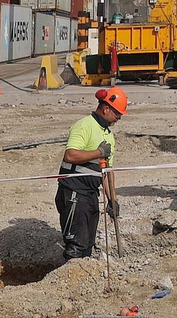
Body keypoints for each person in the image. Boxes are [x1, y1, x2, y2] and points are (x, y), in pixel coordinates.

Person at [56, 86, 126, 260]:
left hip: (90, 194)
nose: (119, 118)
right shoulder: (84, 126)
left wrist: (113, 200)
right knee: (76, 245)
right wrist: (98, 153)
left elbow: (107, 172)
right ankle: (68, 282)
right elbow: (70, 155)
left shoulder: (108, 136)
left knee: (87, 243)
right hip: (74, 193)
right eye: (117, 113)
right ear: (106, 108)